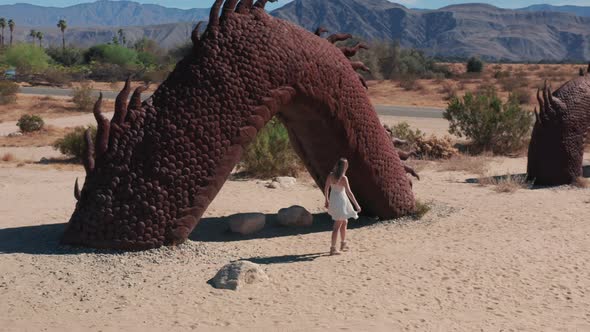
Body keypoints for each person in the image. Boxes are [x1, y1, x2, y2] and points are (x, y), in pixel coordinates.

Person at [324, 158, 361, 255]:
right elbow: (349, 193)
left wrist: (327, 200)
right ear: (345, 167)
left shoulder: (330, 175)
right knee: (337, 226)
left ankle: (343, 243)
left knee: (345, 221)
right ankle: (332, 248)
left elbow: (326, 189)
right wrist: (357, 205)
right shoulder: (344, 178)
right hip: (341, 202)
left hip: (334, 200)